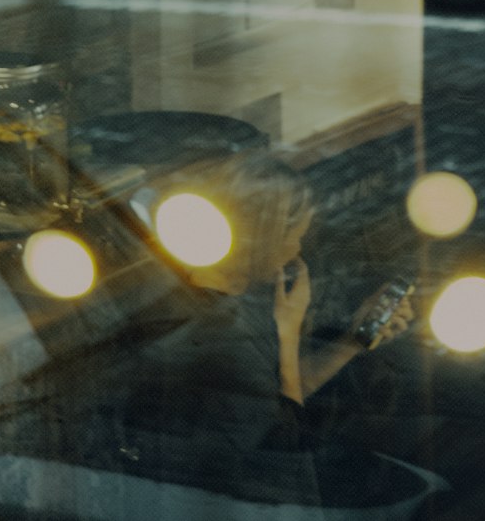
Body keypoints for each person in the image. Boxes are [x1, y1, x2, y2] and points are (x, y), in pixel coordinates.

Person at [106, 153, 428, 514]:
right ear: (265, 237)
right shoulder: (223, 342)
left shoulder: (211, 289)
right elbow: (287, 448)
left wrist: (352, 341)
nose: (299, 250)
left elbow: (271, 400)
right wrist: (288, 336)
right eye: (296, 236)